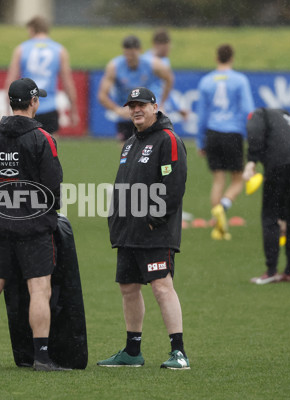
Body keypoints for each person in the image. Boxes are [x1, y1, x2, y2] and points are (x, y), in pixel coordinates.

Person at [0, 78, 65, 371]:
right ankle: (42, 357)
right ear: (34, 102)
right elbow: (53, 188)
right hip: (33, 228)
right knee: (39, 289)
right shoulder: (43, 138)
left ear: (10, 102)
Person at [98, 87, 189, 370]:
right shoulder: (130, 143)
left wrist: (154, 219)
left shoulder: (168, 140)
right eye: (132, 106)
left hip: (154, 232)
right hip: (128, 232)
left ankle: (179, 352)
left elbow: (173, 186)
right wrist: (115, 218)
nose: (136, 110)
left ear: (154, 107)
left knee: (162, 286)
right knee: (128, 287)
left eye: (142, 105)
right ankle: (132, 350)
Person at [244, 108, 290, 284]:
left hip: (282, 161)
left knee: (270, 216)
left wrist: (251, 161)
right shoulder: (287, 118)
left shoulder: (259, 113)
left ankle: (271, 272)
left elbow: (255, 131)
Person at [195, 44, 255, 240]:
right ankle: (224, 206)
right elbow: (248, 109)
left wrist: (200, 140)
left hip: (212, 133)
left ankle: (217, 225)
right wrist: (252, 134)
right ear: (232, 58)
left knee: (218, 180)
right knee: (237, 180)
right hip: (233, 133)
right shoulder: (239, 80)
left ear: (216, 57)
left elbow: (201, 114)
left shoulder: (206, 81)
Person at [5, 15, 79, 134]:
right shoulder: (59, 50)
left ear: (32, 29)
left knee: (25, 149)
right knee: (50, 150)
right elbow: (67, 83)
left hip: (26, 108)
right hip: (49, 107)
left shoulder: (21, 49)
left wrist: (7, 107)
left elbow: (10, 81)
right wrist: (73, 109)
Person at [98, 35, 174, 141]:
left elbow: (169, 79)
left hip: (148, 115)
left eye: (132, 55)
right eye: (127, 55)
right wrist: (117, 110)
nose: (129, 58)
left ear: (140, 51)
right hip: (127, 115)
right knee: (126, 154)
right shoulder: (114, 67)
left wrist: (162, 103)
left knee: (151, 151)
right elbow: (102, 95)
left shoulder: (153, 64)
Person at [142, 28, 187, 120]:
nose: (169, 50)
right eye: (166, 47)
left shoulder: (165, 61)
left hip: (158, 108)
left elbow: (165, 88)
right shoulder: (145, 61)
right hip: (147, 107)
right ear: (157, 45)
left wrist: (177, 107)